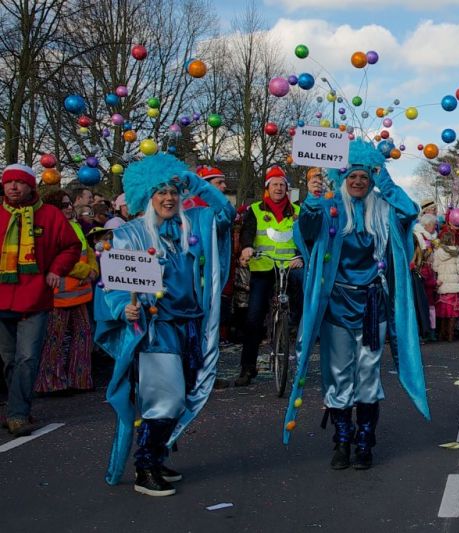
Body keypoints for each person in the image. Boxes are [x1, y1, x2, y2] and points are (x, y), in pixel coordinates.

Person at [281, 139, 429, 470]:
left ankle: (364, 440)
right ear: (343, 178)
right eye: (352, 176)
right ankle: (342, 439)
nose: (359, 181)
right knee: (338, 374)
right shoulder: (331, 207)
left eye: (365, 176)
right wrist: (313, 200)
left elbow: (410, 211)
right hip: (337, 305)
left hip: (372, 305)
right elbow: (306, 231)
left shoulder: (384, 209)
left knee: (368, 373)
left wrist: (383, 176)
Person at [93, 154, 233, 496]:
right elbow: (113, 285)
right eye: (161, 192)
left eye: (173, 191)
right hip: (157, 328)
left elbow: (226, 214)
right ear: (148, 196)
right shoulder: (129, 235)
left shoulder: (194, 222)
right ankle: (144, 468)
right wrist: (122, 308)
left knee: (183, 394)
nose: (168, 198)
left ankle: (156, 457)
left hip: (192, 327)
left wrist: (196, 182)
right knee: (166, 398)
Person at [0, 164, 81, 436]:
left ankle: (17, 414)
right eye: (8, 182)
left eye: (19, 183)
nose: (13, 187)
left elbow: (71, 246)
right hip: (2, 299)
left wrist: (57, 270)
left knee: (27, 357)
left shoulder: (50, 215)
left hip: (35, 299)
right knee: (8, 360)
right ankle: (17, 406)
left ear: (30, 186)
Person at [235, 165, 302, 386]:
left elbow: (304, 237)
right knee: (254, 318)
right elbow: (247, 232)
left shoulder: (297, 211)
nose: (279, 188)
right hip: (263, 268)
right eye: (275, 185)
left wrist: (301, 256)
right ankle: (247, 367)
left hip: (289, 269)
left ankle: (296, 352)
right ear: (267, 187)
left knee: (300, 308)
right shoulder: (255, 210)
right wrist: (247, 247)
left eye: (282, 185)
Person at [34, 190, 98, 394]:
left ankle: (80, 379)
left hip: (80, 293)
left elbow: (87, 251)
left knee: (83, 336)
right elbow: (57, 258)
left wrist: (93, 269)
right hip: (58, 295)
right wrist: (86, 271)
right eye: (64, 205)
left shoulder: (75, 225)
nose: (69, 207)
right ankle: (50, 382)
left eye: (69, 203)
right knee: (55, 340)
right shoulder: (49, 229)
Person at [433, 232, 459, 342]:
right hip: (454, 284)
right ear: (452, 240)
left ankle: (442, 334)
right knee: (453, 312)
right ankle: (451, 335)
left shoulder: (438, 252)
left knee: (443, 310)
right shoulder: (457, 252)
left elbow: (435, 268)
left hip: (442, 284)